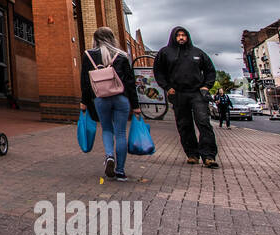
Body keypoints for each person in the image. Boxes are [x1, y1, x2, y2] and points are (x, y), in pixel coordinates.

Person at [153, 26, 219, 168]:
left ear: (187, 37)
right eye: (178, 35)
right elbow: (158, 72)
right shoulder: (165, 53)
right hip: (178, 93)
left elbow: (210, 70)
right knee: (184, 125)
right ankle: (192, 154)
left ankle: (208, 156)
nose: (181, 38)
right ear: (173, 37)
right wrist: (167, 87)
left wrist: (206, 86)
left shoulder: (197, 53)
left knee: (203, 122)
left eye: (183, 35)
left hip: (196, 92)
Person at [79, 27, 140, 181]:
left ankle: (109, 156)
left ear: (95, 39)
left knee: (107, 129)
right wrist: (136, 105)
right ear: (112, 38)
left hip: (101, 98)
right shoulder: (122, 56)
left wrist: (84, 102)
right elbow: (130, 83)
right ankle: (120, 171)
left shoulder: (88, 55)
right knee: (120, 133)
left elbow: (85, 82)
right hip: (121, 98)